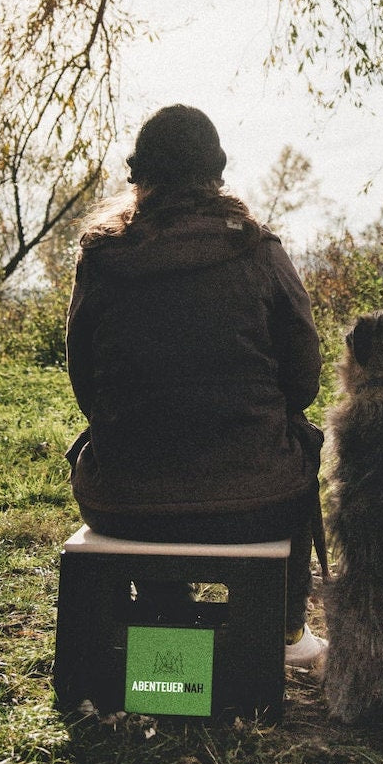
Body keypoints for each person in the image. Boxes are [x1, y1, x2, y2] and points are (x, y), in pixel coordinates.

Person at [65, 104, 327, 667]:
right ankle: (286, 635)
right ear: (217, 173)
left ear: (139, 177)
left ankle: (164, 632)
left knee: (154, 486)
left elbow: (85, 386)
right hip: (255, 503)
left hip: (123, 503)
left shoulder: (102, 258)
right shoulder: (260, 252)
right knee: (302, 440)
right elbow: (303, 382)